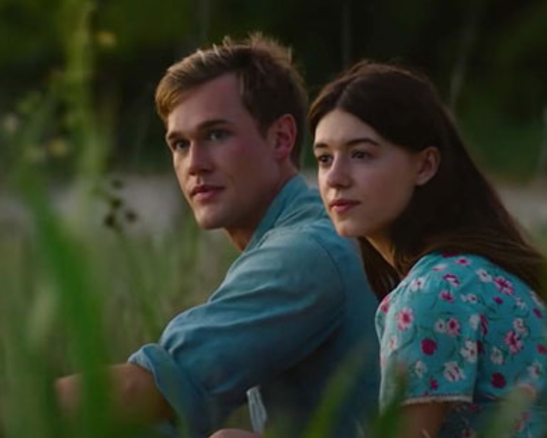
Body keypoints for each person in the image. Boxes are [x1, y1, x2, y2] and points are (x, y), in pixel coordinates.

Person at [55, 35, 379, 438]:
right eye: (180, 144)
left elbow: (151, 388)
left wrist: (0, 417)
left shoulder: (305, 252)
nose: (195, 164)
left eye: (216, 135)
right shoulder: (309, 232)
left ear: (281, 138)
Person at [308, 62, 547, 438]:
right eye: (324, 158)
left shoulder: (434, 291)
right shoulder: (482, 274)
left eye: (361, 154)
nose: (335, 178)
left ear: (425, 166)